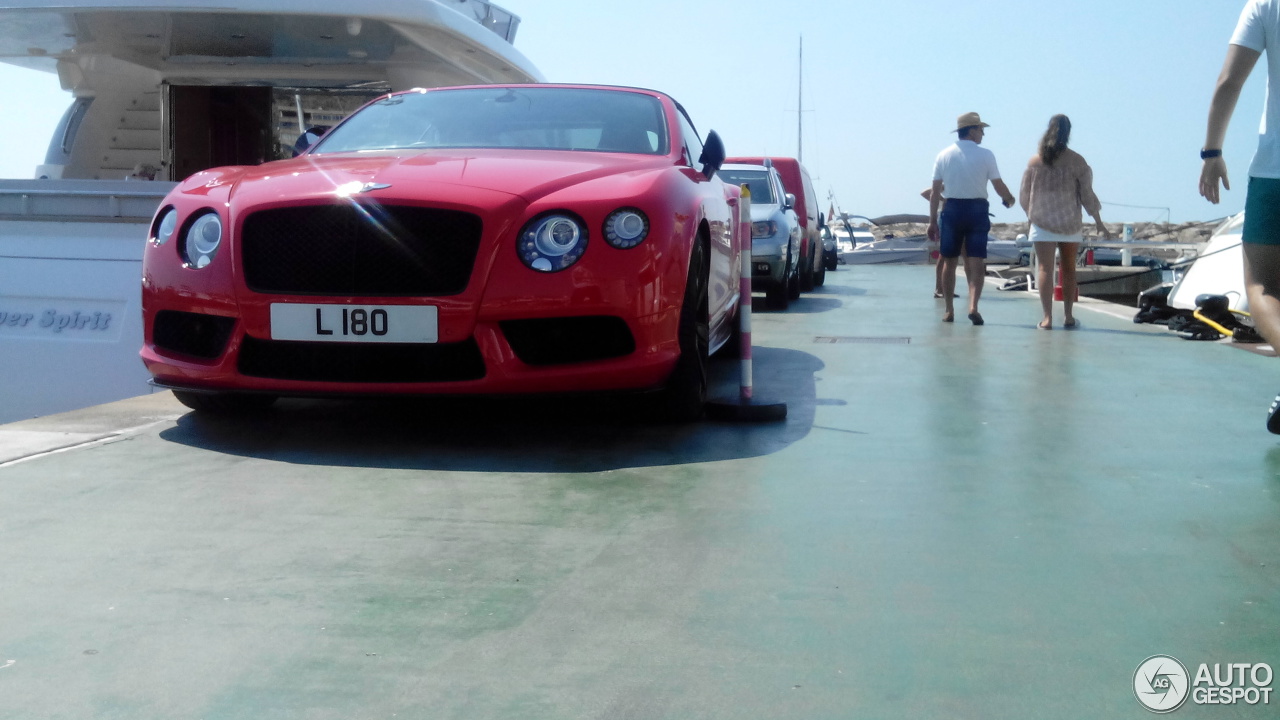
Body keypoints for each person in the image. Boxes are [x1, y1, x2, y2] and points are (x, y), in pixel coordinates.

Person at [1199, 0, 1280, 432]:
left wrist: (1212, 152)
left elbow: (1229, 81)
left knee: (1263, 286)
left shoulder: (1264, 4)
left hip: (1275, 171)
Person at [1019, 114, 1111, 329]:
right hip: (1070, 223)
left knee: (1044, 268)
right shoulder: (1077, 161)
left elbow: (1024, 195)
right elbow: (1087, 195)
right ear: (1068, 133)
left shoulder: (1035, 162)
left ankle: (1047, 318)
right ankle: (1068, 316)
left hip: (1041, 224)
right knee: (1068, 269)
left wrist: (1031, 215)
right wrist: (1098, 221)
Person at [927, 112, 1017, 324]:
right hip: (977, 209)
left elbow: (934, 192)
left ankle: (949, 310)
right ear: (972, 130)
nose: (983, 133)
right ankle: (973, 306)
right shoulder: (986, 155)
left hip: (951, 209)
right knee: (976, 261)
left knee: (949, 261)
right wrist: (1009, 199)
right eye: (980, 129)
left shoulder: (943, 155)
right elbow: (997, 185)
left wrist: (932, 221)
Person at [922, 187, 960, 298]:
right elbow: (925, 192)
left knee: (953, 255)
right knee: (944, 254)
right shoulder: (948, 181)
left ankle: (946, 288)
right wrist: (943, 200)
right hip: (946, 216)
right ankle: (939, 288)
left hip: (957, 216)